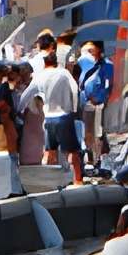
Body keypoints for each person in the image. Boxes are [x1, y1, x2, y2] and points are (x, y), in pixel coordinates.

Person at [29, 45, 85, 184]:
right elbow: (74, 90)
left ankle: (47, 182)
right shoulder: (63, 73)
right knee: (72, 151)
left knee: (49, 151)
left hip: (48, 118)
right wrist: (73, 109)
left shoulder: (39, 75)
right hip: (63, 117)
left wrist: (34, 110)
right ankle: (77, 180)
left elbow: (28, 95)